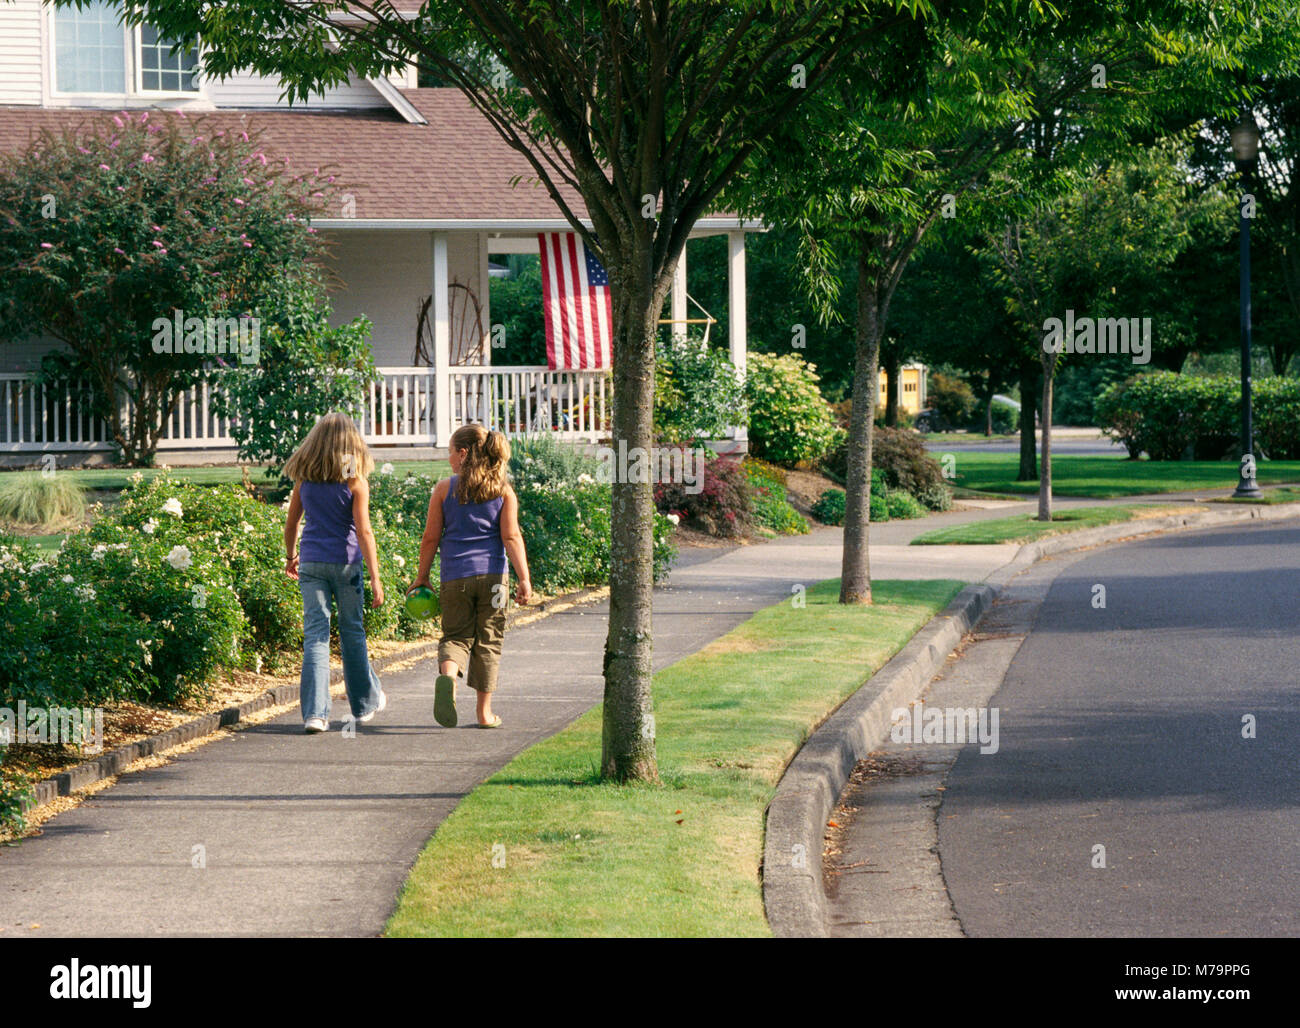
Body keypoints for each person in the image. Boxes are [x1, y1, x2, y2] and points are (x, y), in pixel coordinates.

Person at [409, 424, 531, 728]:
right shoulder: (503, 490)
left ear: (463, 454)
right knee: (489, 641)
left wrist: (421, 577)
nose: (449, 458)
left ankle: (448, 679)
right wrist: (524, 579)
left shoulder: (443, 489)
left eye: (450, 452)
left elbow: (430, 538)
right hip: (494, 580)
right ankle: (484, 713)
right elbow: (512, 537)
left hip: (455, 578)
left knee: (455, 637)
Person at [283, 412, 387, 734]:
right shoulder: (355, 481)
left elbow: (292, 523)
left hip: (312, 563)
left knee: (316, 635)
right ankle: (363, 705)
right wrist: (375, 575)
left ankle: (315, 715)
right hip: (347, 564)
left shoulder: (305, 479)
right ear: (351, 443)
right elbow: (364, 531)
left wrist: (291, 556)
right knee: (352, 632)